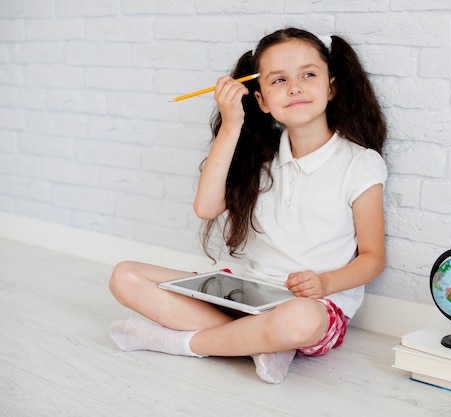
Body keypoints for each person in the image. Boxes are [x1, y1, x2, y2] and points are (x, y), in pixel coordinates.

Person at [108, 27, 388, 384]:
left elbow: (372, 257)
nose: (295, 87)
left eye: (308, 74)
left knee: (299, 320)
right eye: (278, 80)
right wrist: (231, 123)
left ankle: (180, 342)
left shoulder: (359, 163)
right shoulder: (262, 157)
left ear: (331, 86)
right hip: (248, 293)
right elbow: (206, 208)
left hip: (315, 304)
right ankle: (262, 342)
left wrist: (324, 282)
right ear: (262, 101)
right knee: (125, 276)